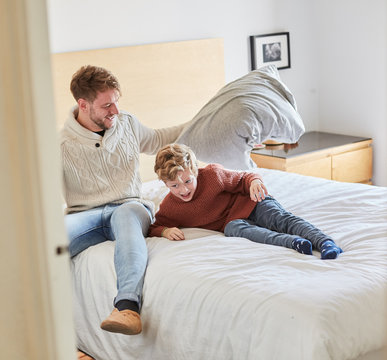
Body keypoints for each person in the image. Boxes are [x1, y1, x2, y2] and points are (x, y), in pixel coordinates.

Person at [60, 65, 185, 336]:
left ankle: (127, 307)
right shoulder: (61, 145)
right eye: (107, 105)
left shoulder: (127, 123)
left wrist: (201, 123)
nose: (115, 111)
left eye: (116, 102)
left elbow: (158, 140)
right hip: (86, 215)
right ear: (83, 105)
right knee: (50, 241)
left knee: (127, 216)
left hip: (129, 206)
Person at [148, 143, 343, 260]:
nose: (183, 190)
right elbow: (154, 227)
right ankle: (294, 243)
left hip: (251, 202)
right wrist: (165, 230)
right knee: (234, 231)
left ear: (195, 171)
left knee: (280, 219)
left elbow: (244, 178)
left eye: (188, 181)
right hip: (232, 222)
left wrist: (255, 181)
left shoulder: (213, 175)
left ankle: (324, 242)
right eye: (174, 186)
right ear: (164, 183)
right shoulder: (171, 207)